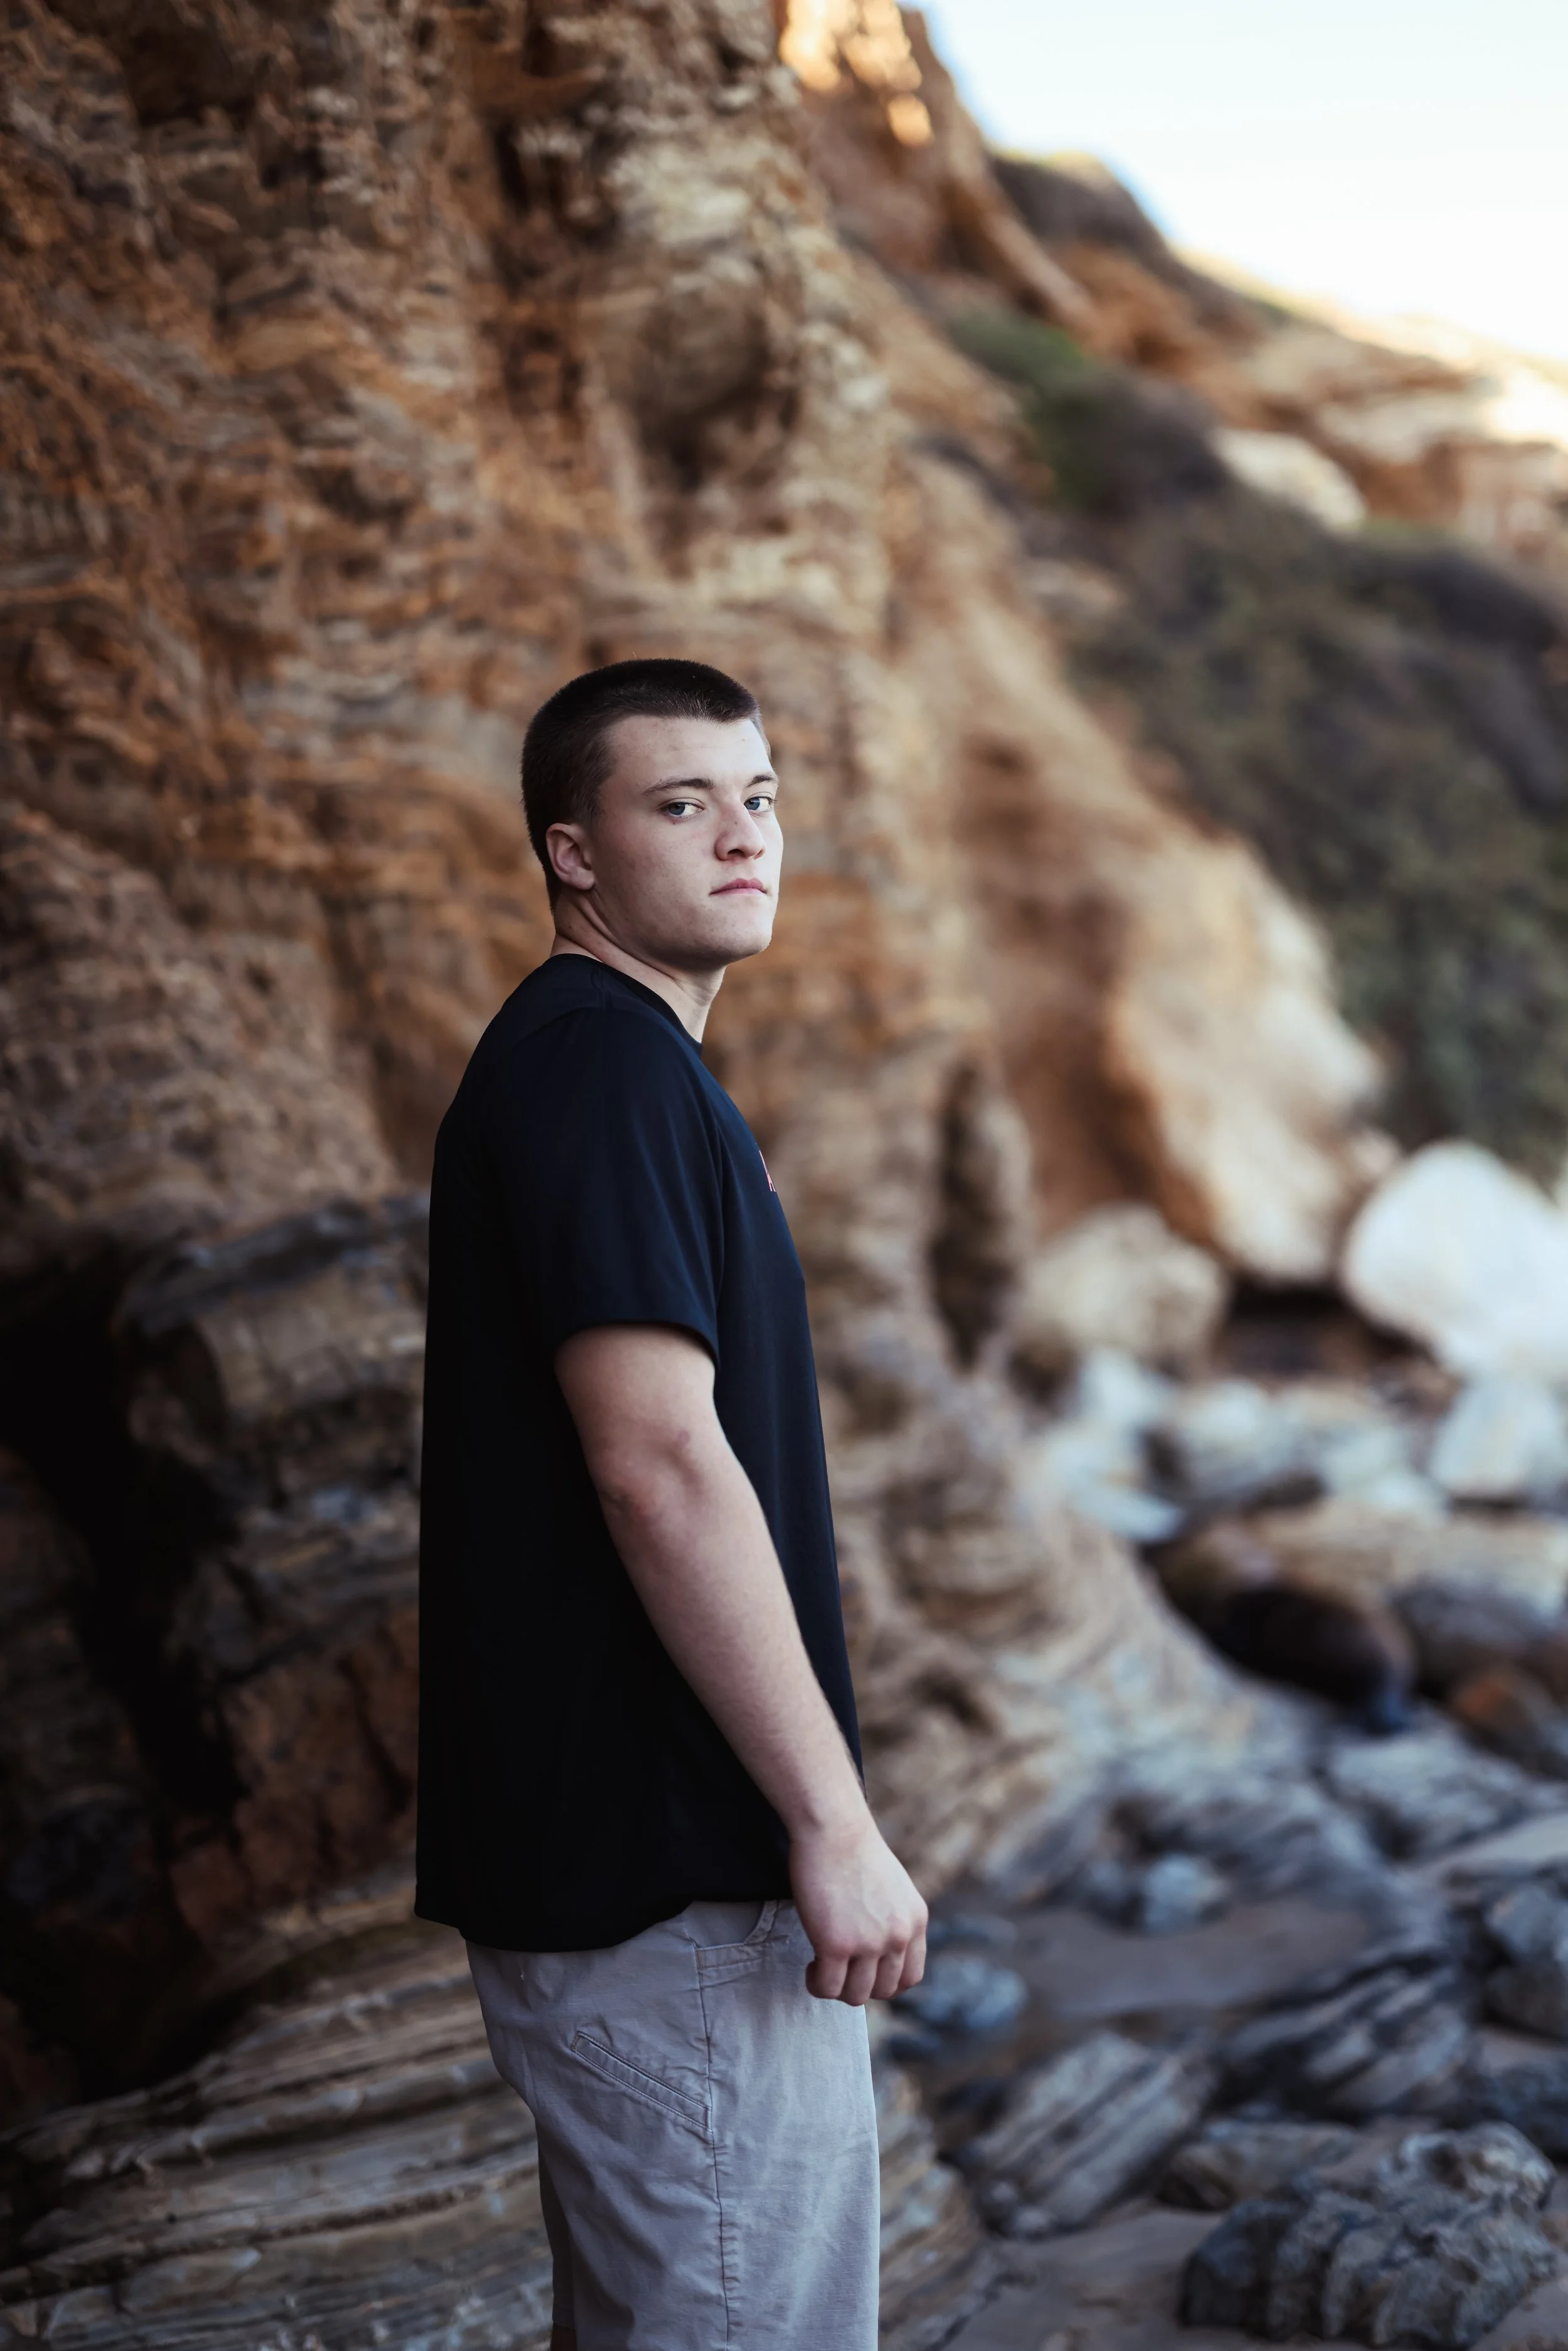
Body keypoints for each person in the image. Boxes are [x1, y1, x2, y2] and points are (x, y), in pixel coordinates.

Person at [416, 657, 928, 2350]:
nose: (741, 835)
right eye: (679, 801)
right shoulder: (601, 1069)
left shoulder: (612, 1066)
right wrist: (832, 1822)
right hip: (666, 1886)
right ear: (572, 852)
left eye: (759, 796)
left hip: (639, 1878)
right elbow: (656, 1460)